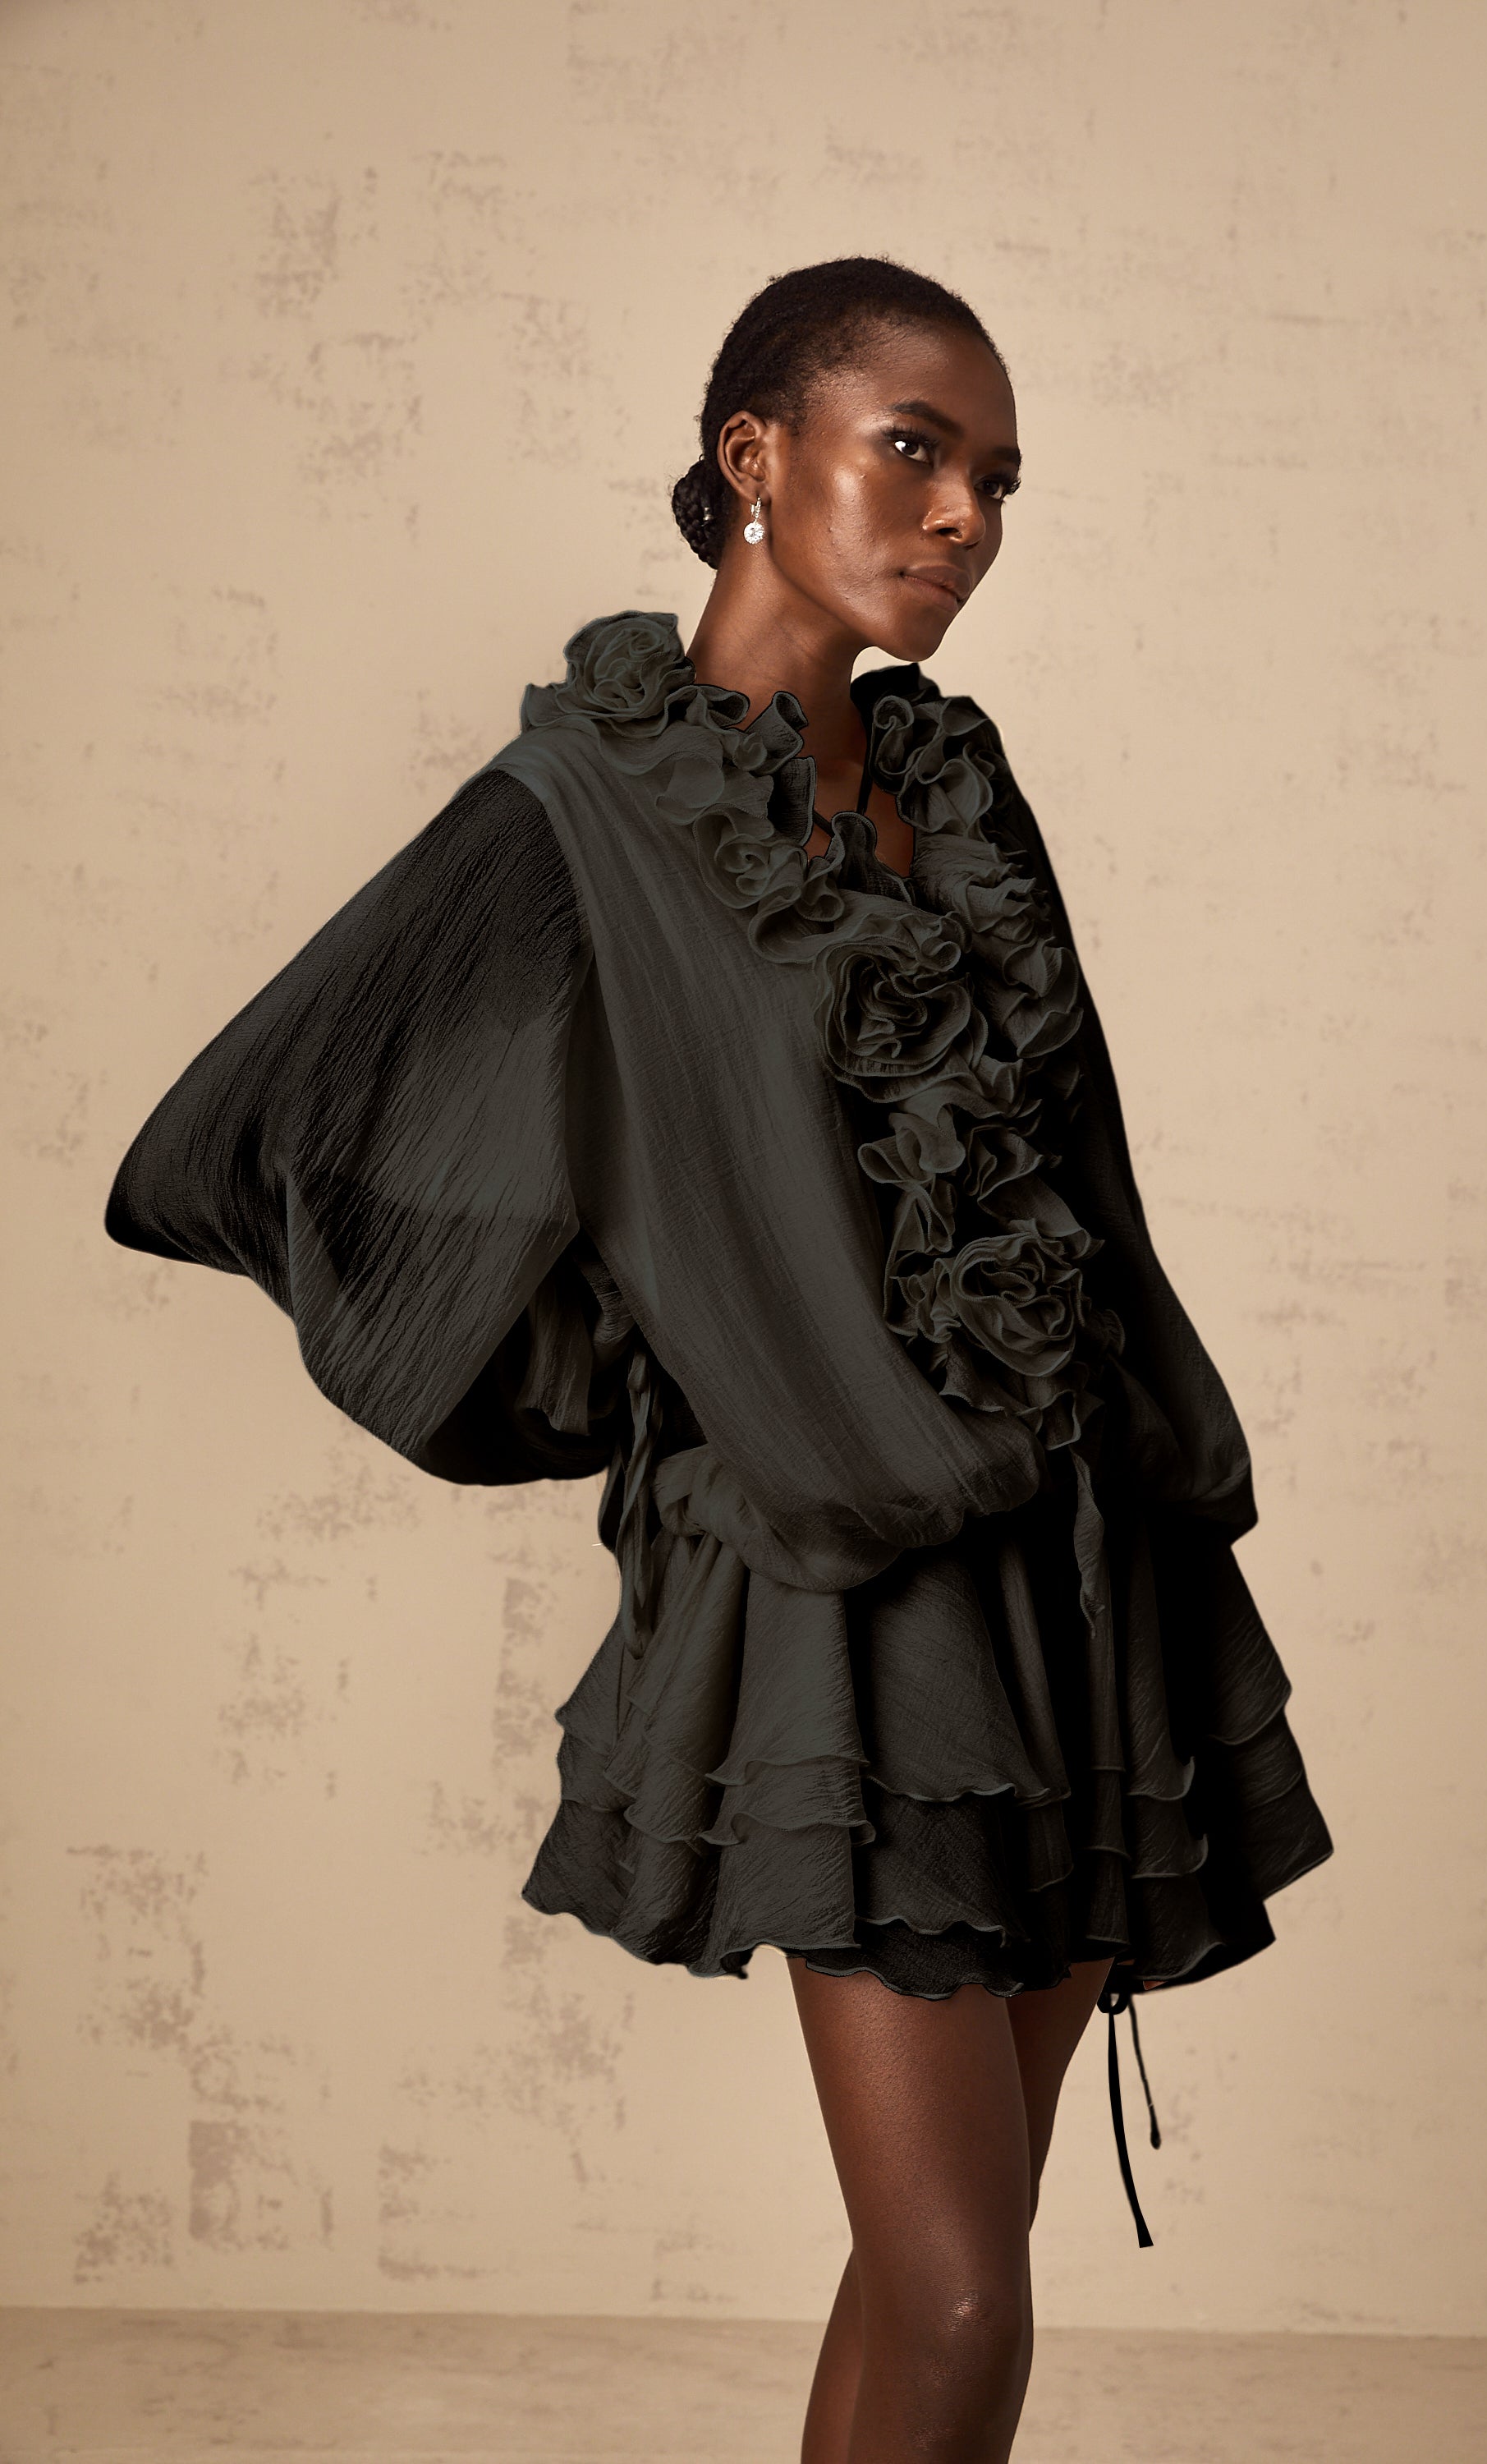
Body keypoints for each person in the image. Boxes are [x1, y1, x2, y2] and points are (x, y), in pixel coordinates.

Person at [106, 257, 1333, 2464]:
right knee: (960, 2293)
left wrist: (1152, 1478)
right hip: (844, 1602)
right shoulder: (582, 809)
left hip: (1085, 1570)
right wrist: (667, 1352)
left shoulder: (962, 785)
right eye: (915, 451)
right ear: (756, 456)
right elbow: (274, 1129)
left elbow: (1078, 1182)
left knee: (951, 2256)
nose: (963, 515)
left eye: (999, 480)